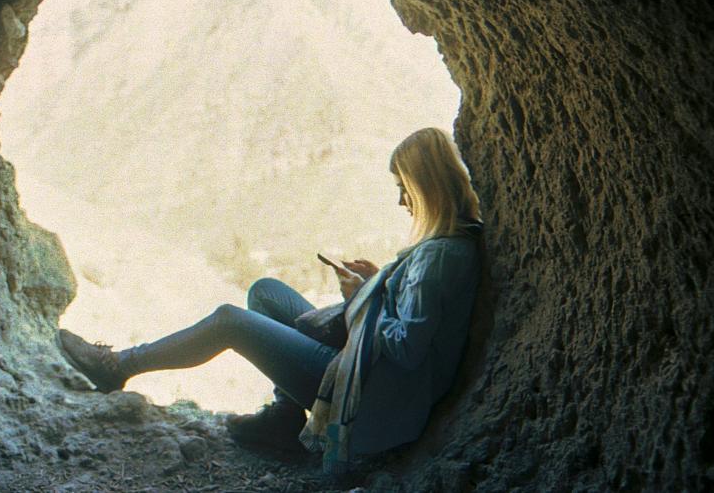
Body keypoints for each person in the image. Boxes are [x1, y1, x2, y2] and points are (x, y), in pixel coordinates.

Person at [57, 127, 483, 473]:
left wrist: (360, 302)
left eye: (404, 188)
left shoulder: (439, 255)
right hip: (366, 362)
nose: (400, 201)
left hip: (371, 388)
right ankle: (283, 420)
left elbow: (407, 349)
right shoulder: (451, 241)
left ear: (426, 187)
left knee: (230, 321)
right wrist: (378, 283)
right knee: (266, 292)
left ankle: (119, 367)